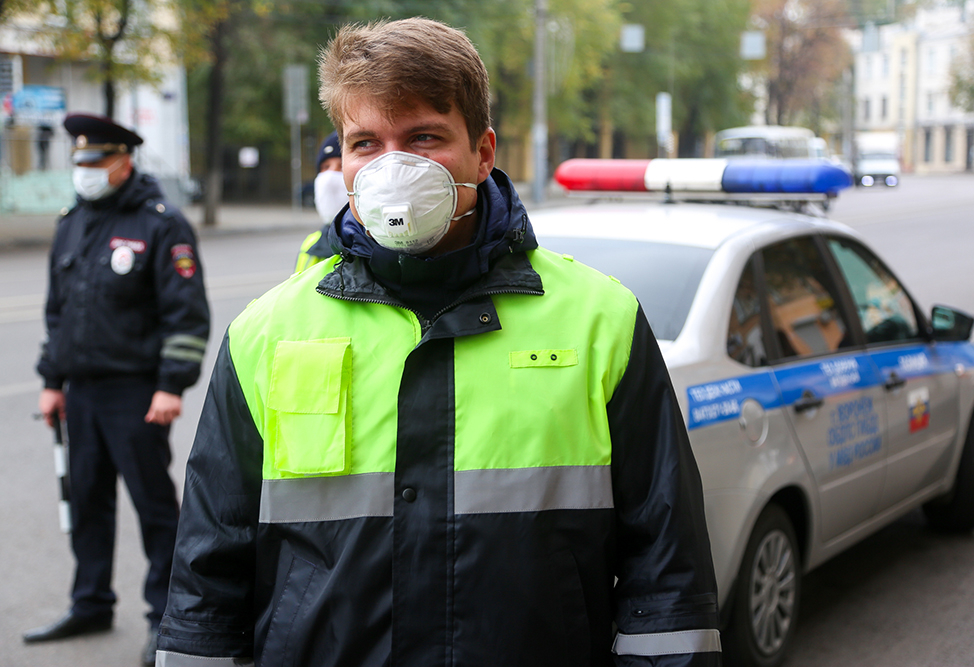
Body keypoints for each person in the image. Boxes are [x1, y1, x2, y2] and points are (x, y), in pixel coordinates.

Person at [157, 17, 720, 667]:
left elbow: (668, 577)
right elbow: (206, 583)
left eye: (423, 137)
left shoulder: (602, 321)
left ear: (483, 152)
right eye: (366, 143)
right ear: (342, 161)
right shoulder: (265, 333)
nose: (393, 168)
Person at [26, 113, 210, 667]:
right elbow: (59, 312)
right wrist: (51, 380)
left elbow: (185, 314)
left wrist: (171, 386)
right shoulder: (72, 221)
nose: (85, 171)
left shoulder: (161, 224)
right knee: (87, 502)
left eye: (96, 161)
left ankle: (166, 618)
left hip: (136, 392)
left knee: (155, 509)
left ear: (124, 162)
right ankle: (90, 602)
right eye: (80, 161)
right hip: (80, 391)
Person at [294, 130, 348, 273]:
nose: (330, 176)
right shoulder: (311, 243)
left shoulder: (377, 242)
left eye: (341, 166)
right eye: (325, 167)